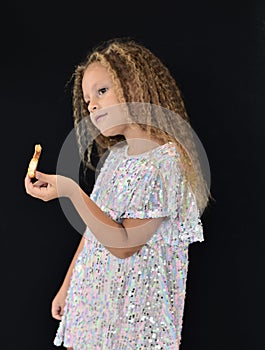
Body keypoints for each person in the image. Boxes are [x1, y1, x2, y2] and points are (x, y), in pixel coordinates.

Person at [24, 37, 211, 349]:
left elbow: (124, 245)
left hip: (133, 315)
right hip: (93, 302)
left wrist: (70, 190)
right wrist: (68, 286)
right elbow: (93, 230)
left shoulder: (166, 163)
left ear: (135, 87)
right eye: (87, 101)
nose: (93, 105)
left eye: (101, 91)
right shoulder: (116, 158)